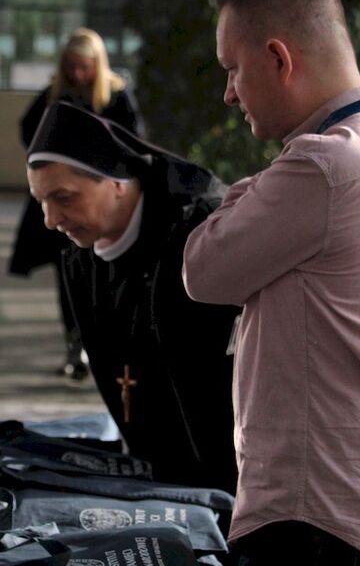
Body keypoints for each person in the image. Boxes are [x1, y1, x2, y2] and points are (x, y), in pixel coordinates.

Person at [183, 0, 360, 562]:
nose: (229, 93)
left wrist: (251, 187)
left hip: (309, 513)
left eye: (233, 69)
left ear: (278, 59)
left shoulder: (319, 167)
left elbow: (204, 270)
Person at [27, 101, 240, 494]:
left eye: (64, 197)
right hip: (148, 477)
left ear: (117, 182)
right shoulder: (82, 258)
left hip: (228, 474)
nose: (50, 220)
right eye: (42, 201)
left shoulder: (204, 235)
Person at [10, 28, 144, 382]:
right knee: (68, 276)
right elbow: (28, 131)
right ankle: (75, 342)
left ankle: (102, 345)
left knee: (105, 273)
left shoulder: (116, 96)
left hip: (102, 206)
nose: (78, 74)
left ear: (97, 64)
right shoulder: (57, 96)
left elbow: (133, 145)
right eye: (71, 66)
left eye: (84, 66)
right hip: (66, 202)